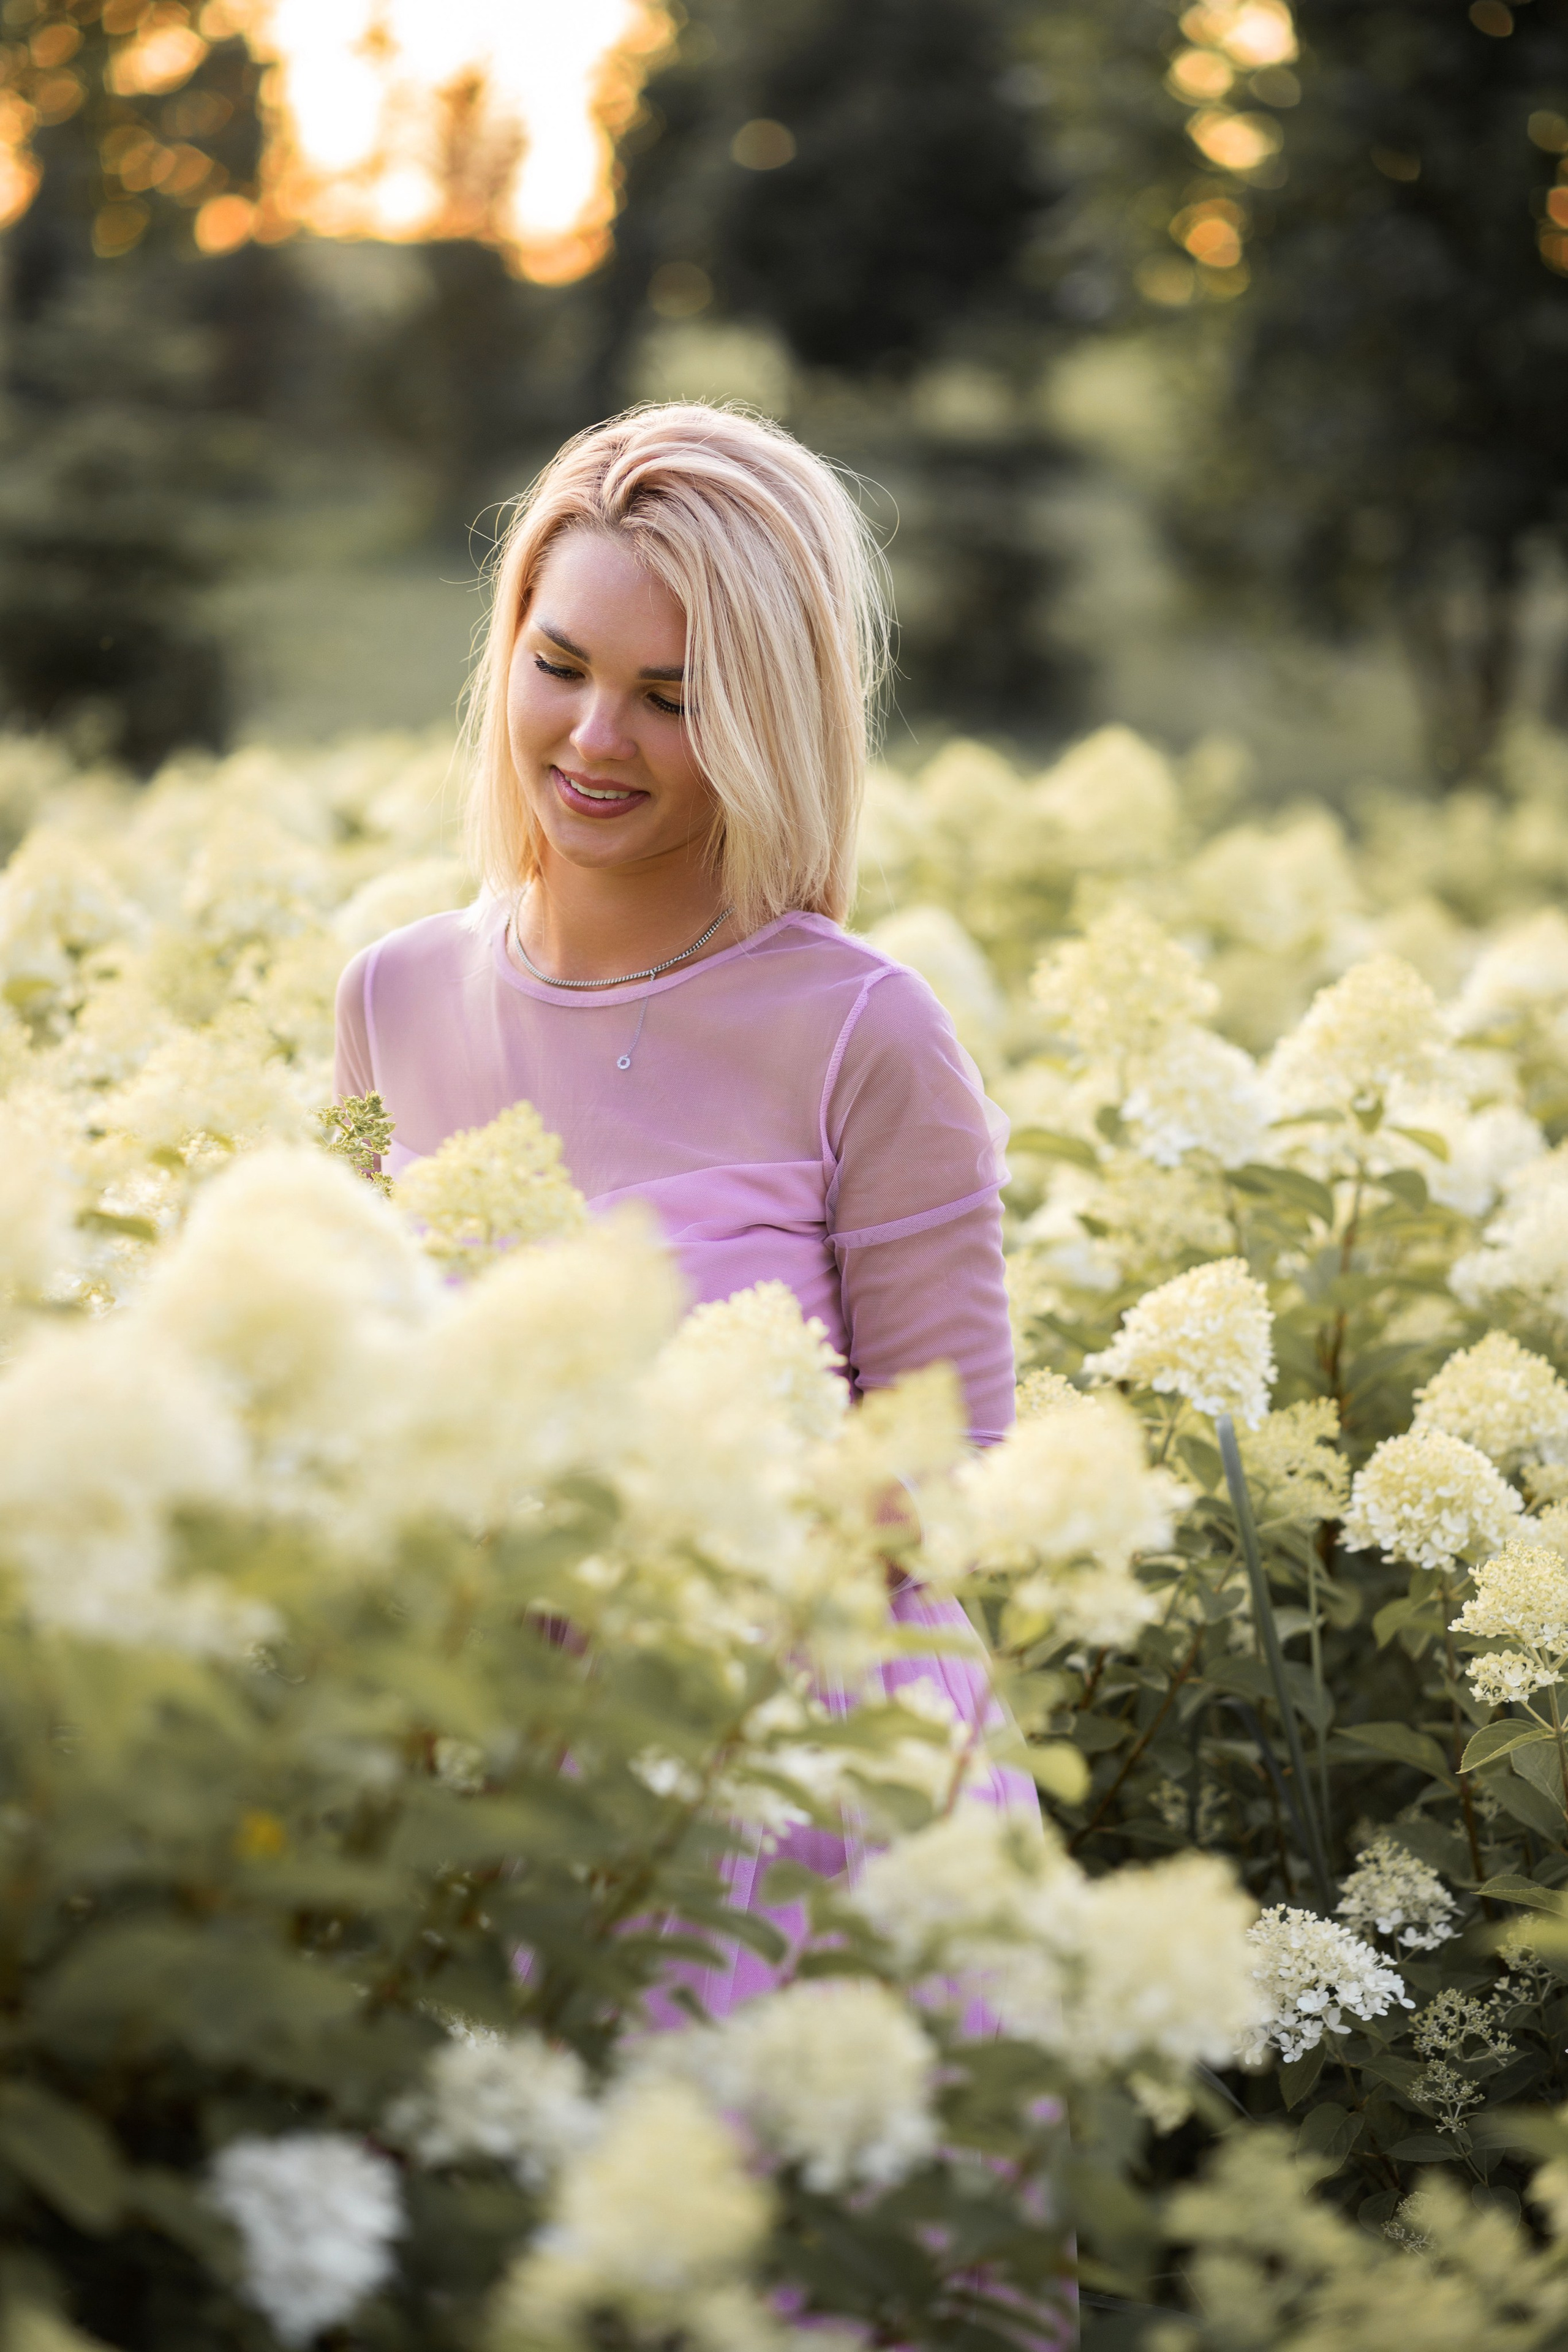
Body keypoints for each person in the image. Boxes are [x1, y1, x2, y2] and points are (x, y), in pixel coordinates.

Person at [333, 401, 1040, 2015]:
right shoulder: (390, 997)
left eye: (674, 698)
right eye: (561, 666)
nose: (595, 740)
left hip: (791, 1799)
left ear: (772, 721)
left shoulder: (865, 1030)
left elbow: (951, 1488)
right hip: (474, 1782)